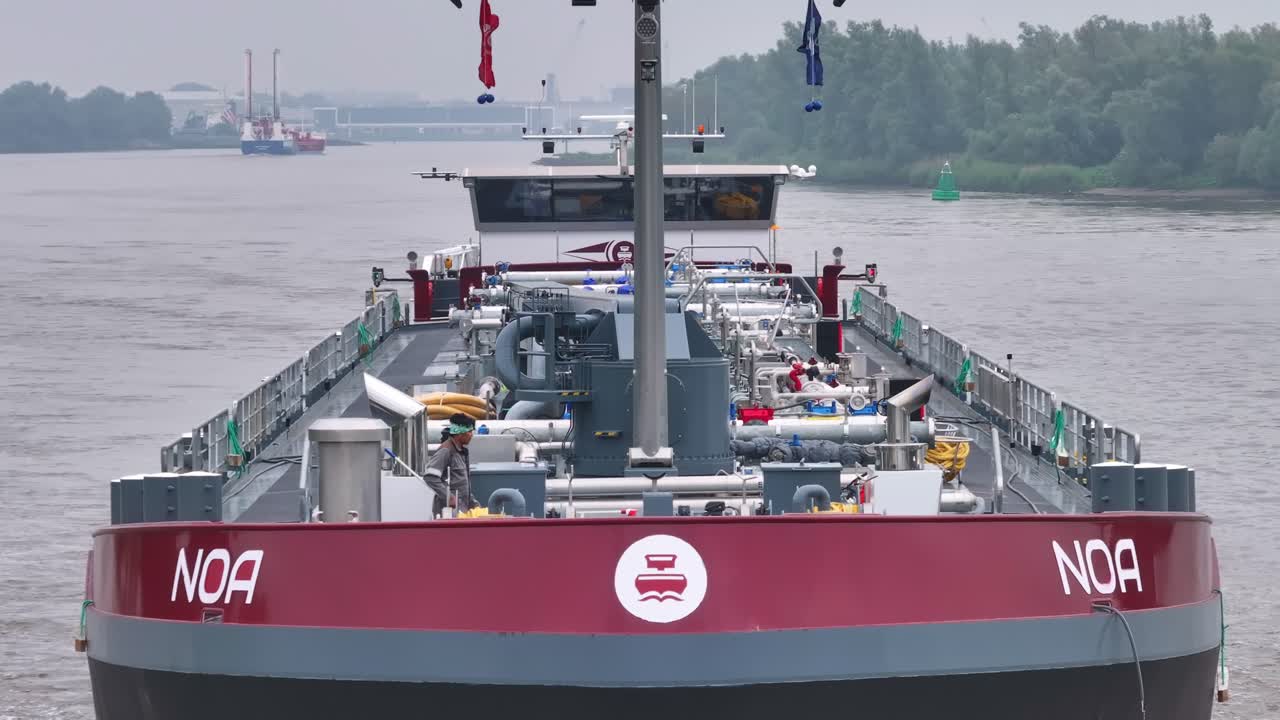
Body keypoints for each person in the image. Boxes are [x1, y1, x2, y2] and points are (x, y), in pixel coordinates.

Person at [424, 413, 478, 518]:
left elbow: (462, 483)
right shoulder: (446, 450)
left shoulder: (461, 452)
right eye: (469, 431)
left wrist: (473, 503)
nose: (472, 435)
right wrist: (448, 497)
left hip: (462, 510)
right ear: (459, 433)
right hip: (448, 512)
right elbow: (430, 477)